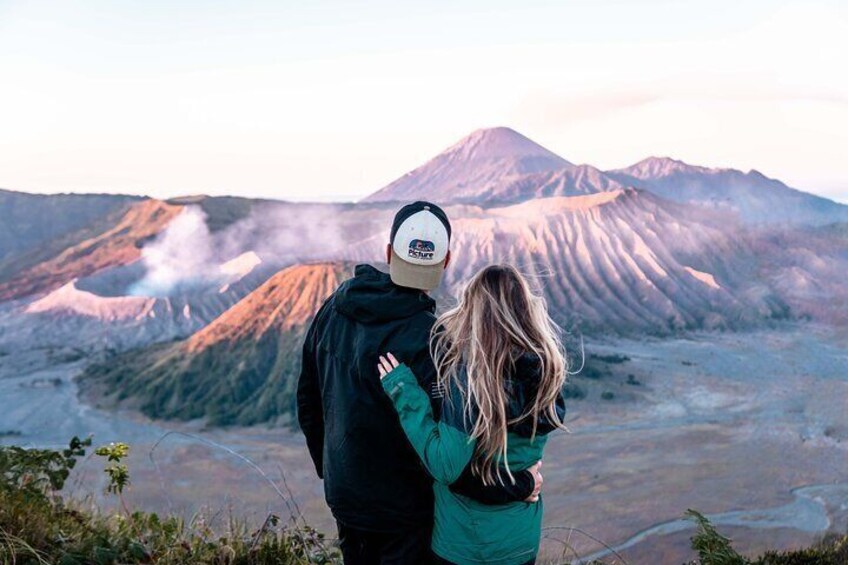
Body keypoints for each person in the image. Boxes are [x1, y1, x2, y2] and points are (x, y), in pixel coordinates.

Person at [297, 202, 542, 565]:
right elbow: (448, 461)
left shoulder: (334, 308)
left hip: (347, 499)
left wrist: (335, 472)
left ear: (388, 253)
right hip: (406, 514)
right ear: (445, 262)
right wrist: (518, 485)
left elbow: (308, 401)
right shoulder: (435, 342)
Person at [377, 264, 567, 565]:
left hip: (465, 545)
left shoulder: (470, 383)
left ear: (474, 313)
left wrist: (406, 396)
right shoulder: (546, 373)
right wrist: (525, 484)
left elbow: (446, 466)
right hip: (520, 542)